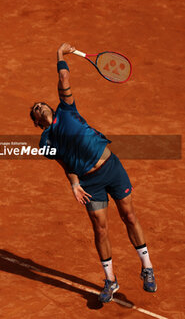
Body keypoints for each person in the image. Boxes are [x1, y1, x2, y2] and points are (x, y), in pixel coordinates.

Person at [30, 43, 157, 303]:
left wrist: (59, 54)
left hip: (111, 168)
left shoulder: (66, 109)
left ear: (51, 107)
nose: (40, 106)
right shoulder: (46, 142)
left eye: (42, 103)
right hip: (89, 182)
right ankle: (110, 281)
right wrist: (74, 184)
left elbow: (64, 77)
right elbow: (66, 164)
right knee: (100, 230)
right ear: (36, 122)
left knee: (129, 216)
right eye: (36, 109)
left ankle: (147, 267)